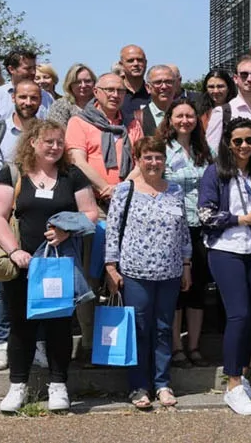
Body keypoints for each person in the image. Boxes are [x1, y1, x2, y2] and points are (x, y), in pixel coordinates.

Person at [0, 119, 100, 413]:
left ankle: (58, 384)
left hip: (59, 264)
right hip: (22, 264)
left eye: (59, 142)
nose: (54, 147)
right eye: (48, 141)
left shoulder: (71, 174)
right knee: (21, 326)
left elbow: (90, 213)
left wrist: (67, 229)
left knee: (59, 325)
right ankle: (18, 386)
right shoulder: (13, 173)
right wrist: (13, 251)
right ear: (33, 142)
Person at [103, 136, 193, 409]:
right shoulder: (124, 190)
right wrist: (110, 266)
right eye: (148, 158)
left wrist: (187, 264)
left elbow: (184, 230)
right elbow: (112, 230)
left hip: (170, 271)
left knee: (165, 328)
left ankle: (163, 383)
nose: (154, 163)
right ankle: (139, 386)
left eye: (158, 157)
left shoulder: (175, 190)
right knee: (140, 329)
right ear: (138, 160)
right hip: (135, 272)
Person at [198, 117, 251, 416]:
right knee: (239, 314)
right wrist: (241, 219)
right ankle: (231, 385)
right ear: (227, 143)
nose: (244, 146)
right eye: (238, 141)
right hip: (225, 250)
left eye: (249, 140)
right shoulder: (214, 173)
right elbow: (205, 214)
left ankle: (243, 375)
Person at [0, 80, 43, 368]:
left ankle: (37, 343)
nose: (28, 102)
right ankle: (1, 343)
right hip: (3, 215)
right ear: (13, 97)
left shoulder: (46, 131)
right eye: (23, 96)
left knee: (37, 282)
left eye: (34, 97)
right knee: (2, 282)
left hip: (36, 215)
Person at [156, 99, 215, 369]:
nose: (185, 121)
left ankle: (194, 346)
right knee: (177, 290)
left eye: (190, 116)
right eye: (179, 116)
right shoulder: (162, 150)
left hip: (202, 227)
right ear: (169, 119)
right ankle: (176, 347)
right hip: (172, 228)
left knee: (198, 289)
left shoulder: (206, 150)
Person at [67, 73, 144, 204]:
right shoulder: (79, 122)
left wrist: (121, 190)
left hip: (128, 200)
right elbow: (77, 161)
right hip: (92, 201)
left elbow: (141, 162)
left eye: (120, 91)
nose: (115, 95)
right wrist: (105, 189)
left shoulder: (132, 123)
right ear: (96, 92)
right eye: (109, 90)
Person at [206, 56, 251, 155]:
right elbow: (212, 153)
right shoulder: (222, 113)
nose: (249, 79)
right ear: (235, 79)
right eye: (244, 75)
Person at [0, 48, 56, 126]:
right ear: (11, 69)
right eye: (27, 68)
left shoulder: (47, 97)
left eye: (34, 68)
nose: (33, 72)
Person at [132, 65, 180, 137]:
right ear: (148, 87)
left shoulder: (187, 116)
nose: (164, 86)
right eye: (158, 82)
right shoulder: (136, 119)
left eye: (168, 82)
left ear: (175, 85)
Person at [118, 45, 151, 113]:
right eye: (130, 61)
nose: (136, 64)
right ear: (121, 65)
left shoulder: (153, 94)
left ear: (146, 63)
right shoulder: (114, 94)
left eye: (140, 60)